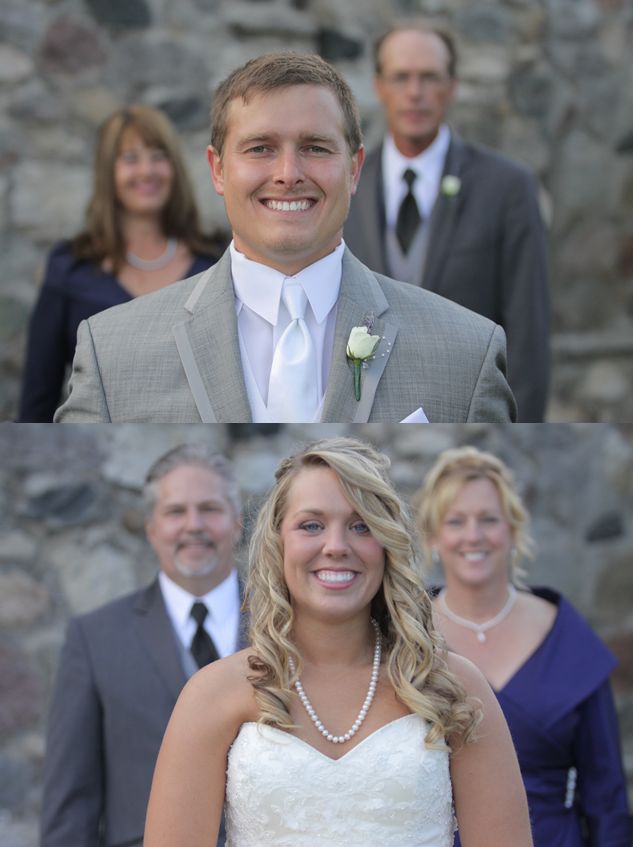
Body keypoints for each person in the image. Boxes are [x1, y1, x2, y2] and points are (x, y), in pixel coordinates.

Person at [54, 52, 516, 424]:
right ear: (218, 169)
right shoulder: (111, 352)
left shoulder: (468, 352)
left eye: (315, 148)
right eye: (260, 149)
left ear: (354, 169)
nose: (288, 174)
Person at [143, 437, 533, 847]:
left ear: (386, 544)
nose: (336, 546)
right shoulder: (213, 694)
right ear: (279, 542)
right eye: (311, 525)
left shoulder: (454, 686)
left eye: (361, 525)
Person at [413, 446, 633, 847]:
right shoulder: (407, 636)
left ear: (513, 530)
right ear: (433, 536)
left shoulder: (566, 636)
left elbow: (607, 796)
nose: (473, 535)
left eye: (488, 520)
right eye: (456, 521)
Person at [41, 445, 246, 847]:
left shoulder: (288, 628)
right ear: (152, 529)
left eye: (210, 509)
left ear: (237, 523)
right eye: (175, 512)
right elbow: (71, 805)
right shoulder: (95, 638)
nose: (194, 525)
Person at [344, 22, 550, 422]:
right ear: (379, 86)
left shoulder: (509, 187)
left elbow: (528, 336)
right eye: (401, 77)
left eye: (430, 78)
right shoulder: (346, 184)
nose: (415, 93)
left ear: (452, 86)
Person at [19, 105, 226, 422]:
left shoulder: (216, 262)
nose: (147, 170)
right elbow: (38, 400)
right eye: (131, 159)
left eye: (158, 156)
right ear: (108, 172)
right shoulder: (70, 269)